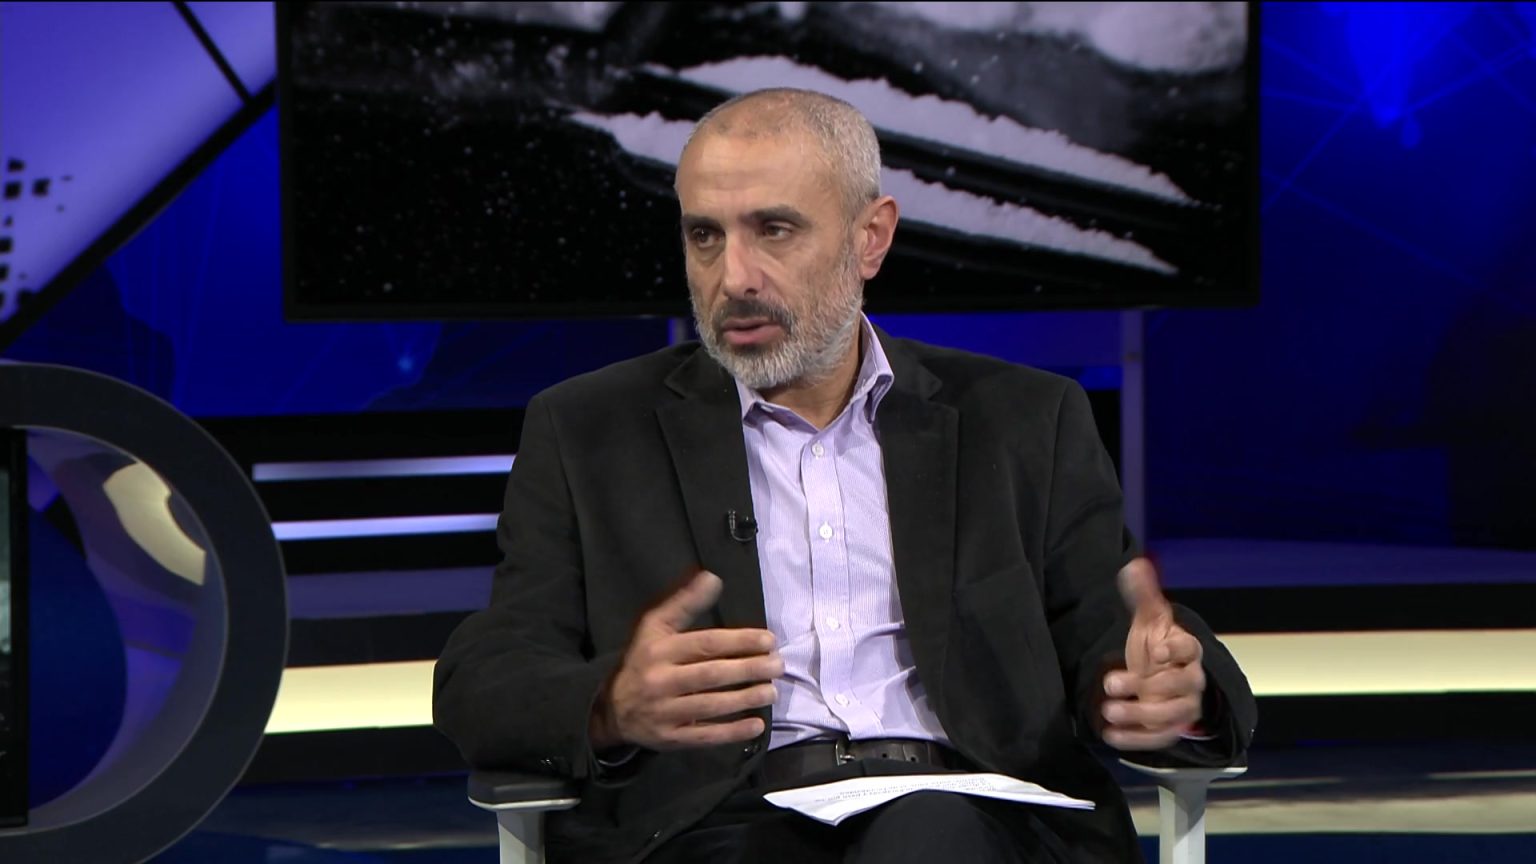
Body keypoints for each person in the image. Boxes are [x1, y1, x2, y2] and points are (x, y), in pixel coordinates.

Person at [433, 88, 1255, 864]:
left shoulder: (1023, 419)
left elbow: (1119, 637)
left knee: (930, 833)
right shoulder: (588, 429)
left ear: (871, 237)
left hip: (972, 810)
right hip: (714, 824)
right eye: (705, 236)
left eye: (775, 230)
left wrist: (1171, 689)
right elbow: (486, 674)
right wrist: (610, 705)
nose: (734, 277)